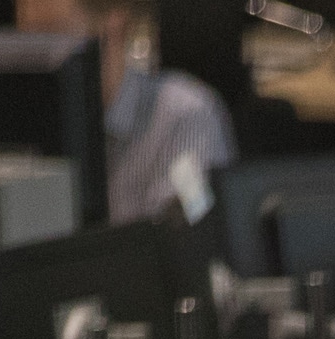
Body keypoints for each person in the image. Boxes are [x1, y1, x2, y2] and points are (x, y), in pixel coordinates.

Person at [20, 0, 234, 225]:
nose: (29, 53)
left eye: (49, 32)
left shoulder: (184, 114)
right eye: (22, 35)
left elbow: (190, 232)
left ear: (113, 20)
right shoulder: (30, 125)